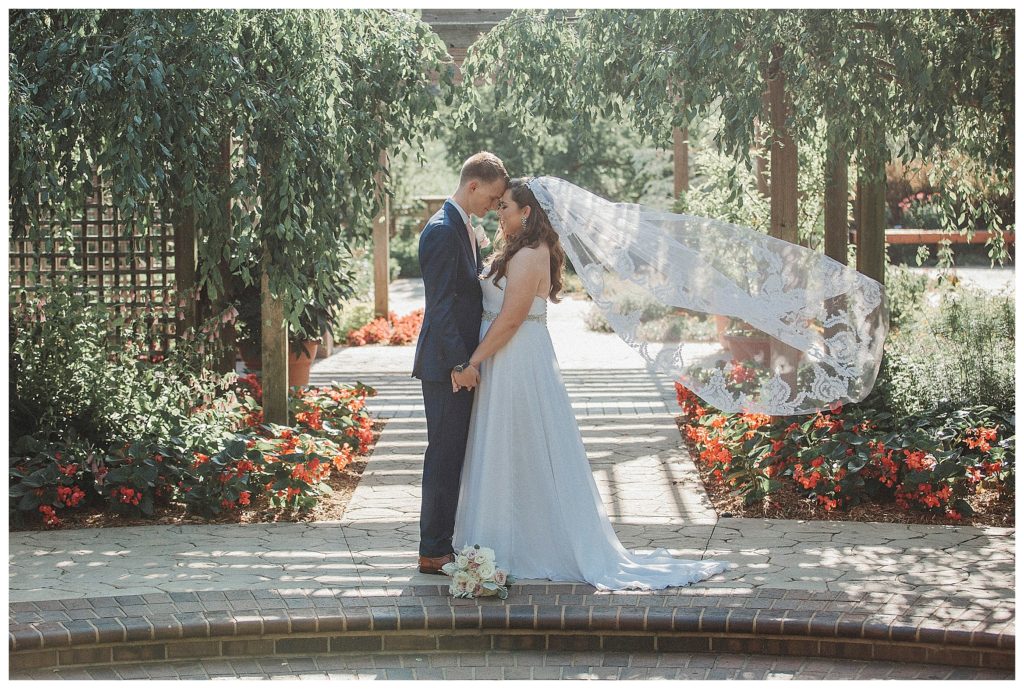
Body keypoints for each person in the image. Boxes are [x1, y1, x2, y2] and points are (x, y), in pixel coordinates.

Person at [450, 178, 731, 590]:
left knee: (523, 441)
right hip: (505, 358)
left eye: (505, 206)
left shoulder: (530, 253)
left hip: (517, 358)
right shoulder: (518, 248)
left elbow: (511, 319)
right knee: (508, 444)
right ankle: (503, 537)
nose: (499, 212)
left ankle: (530, 543)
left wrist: (470, 360)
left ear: (526, 212)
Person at [412, 152, 509, 575]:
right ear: (473, 186)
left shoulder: (463, 227)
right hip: (444, 366)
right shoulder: (441, 231)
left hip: (457, 362)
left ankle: (441, 542)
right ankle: (433, 549)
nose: (492, 206)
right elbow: (440, 308)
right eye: (491, 198)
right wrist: (458, 364)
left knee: (453, 454)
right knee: (444, 456)